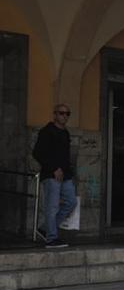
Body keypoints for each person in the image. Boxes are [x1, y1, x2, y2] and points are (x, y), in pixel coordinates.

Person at [32, 104, 77, 249]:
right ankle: (51, 238)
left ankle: (46, 228)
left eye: (67, 114)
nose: (65, 116)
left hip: (65, 175)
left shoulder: (65, 133)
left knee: (71, 202)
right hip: (51, 175)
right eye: (62, 113)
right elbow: (37, 153)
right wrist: (53, 169)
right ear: (55, 115)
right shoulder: (47, 131)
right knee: (52, 207)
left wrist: (69, 171)